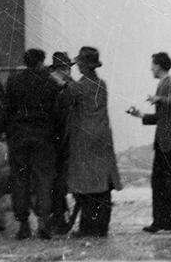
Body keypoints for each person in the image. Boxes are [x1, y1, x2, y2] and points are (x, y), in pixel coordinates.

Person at [126, 51, 171, 234]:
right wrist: (140, 115)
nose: (150, 68)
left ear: (158, 65)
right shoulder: (164, 85)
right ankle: (162, 221)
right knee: (159, 183)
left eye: (152, 64)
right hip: (166, 143)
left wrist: (159, 99)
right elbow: (161, 116)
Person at [0, 48, 60, 240]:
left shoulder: (14, 80)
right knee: (44, 180)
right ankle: (43, 223)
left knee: (20, 179)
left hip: (18, 137)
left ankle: (23, 224)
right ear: (41, 62)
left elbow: (6, 107)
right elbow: (56, 112)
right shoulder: (50, 82)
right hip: (43, 138)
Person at [63, 46, 120, 238]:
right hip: (102, 138)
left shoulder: (78, 87)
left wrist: (61, 80)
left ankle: (87, 228)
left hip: (84, 139)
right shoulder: (101, 84)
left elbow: (67, 96)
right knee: (102, 185)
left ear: (84, 65)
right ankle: (101, 227)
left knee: (86, 185)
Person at [45, 51, 75, 234]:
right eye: (66, 69)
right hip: (58, 137)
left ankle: (58, 214)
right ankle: (58, 216)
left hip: (58, 136)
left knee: (58, 179)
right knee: (58, 179)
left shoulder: (58, 83)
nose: (69, 72)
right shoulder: (57, 85)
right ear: (60, 69)